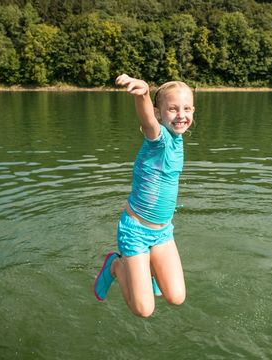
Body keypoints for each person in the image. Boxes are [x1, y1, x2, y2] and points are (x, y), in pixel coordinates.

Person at [94, 74, 195, 317]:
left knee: (176, 297)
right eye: (172, 109)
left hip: (163, 232)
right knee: (145, 310)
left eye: (187, 108)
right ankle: (116, 266)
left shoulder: (177, 138)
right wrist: (143, 95)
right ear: (159, 113)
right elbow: (148, 122)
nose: (181, 115)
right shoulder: (157, 139)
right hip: (136, 230)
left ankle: (147, 267)